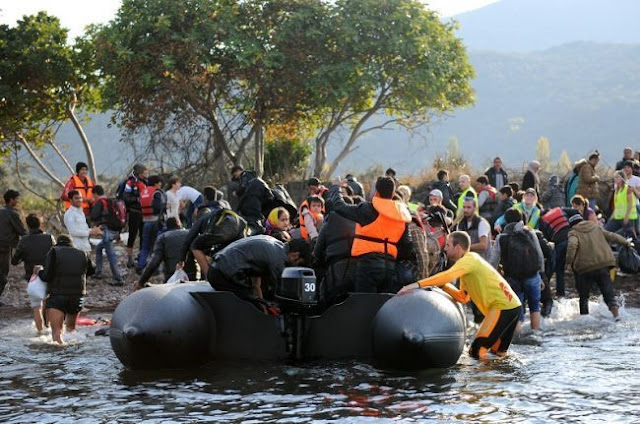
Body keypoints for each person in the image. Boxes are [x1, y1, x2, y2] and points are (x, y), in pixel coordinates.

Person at [399, 231, 522, 359]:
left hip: (503, 307)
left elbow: (448, 275)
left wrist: (417, 284)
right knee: (498, 355)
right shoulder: (467, 267)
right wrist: (444, 286)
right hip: (513, 306)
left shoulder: (469, 260)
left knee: (476, 351)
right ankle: (501, 377)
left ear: (457, 247)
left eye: (447, 245)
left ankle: (481, 378)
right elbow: (463, 297)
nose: (445, 249)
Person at [330, 176, 414, 293]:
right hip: (390, 267)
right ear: (393, 192)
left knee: (365, 304)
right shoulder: (402, 215)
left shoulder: (368, 209)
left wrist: (335, 188)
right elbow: (407, 246)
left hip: (368, 265)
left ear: (377, 192)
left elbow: (339, 206)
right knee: (384, 306)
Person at [207, 235, 310, 304]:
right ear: (295, 255)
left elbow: (256, 284)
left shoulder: (274, 244)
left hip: (217, 268)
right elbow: (284, 292)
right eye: (298, 264)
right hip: (222, 274)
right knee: (251, 304)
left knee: (256, 301)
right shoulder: (279, 259)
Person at [565, 214, 631, 320]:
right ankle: (616, 316)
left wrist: (569, 262)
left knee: (584, 297)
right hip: (603, 265)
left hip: (585, 268)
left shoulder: (573, 232)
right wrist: (626, 242)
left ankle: (585, 319)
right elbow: (612, 236)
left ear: (572, 225)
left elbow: (572, 245)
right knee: (609, 295)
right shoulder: (595, 227)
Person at [490, 209, 544, 332]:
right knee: (535, 306)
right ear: (521, 220)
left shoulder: (501, 238)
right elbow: (539, 254)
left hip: (512, 278)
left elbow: (493, 261)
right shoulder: (530, 233)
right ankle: (535, 333)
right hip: (532, 275)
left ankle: (517, 338)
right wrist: (541, 275)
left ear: (506, 221)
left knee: (516, 308)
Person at [38, 234, 95, 345]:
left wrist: (38, 273)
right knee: (71, 331)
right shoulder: (83, 253)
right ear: (71, 243)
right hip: (78, 296)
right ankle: (72, 357)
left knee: (56, 333)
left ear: (57, 243)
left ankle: (60, 357)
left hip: (58, 296)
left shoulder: (54, 252)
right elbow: (92, 270)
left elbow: (46, 276)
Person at [11, 214, 54, 331]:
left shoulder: (24, 240)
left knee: (36, 306)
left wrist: (23, 256)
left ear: (28, 225)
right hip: (48, 274)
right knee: (47, 301)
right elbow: (56, 254)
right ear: (40, 224)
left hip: (33, 276)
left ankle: (40, 332)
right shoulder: (49, 238)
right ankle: (48, 327)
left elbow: (14, 261)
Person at [313, 197, 357, 305]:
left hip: (335, 275)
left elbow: (317, 253)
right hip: (359, 273)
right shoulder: (360, 223)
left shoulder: (327, 225)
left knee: (324, 299)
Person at [135, 217, 193, 290]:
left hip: (172, 278)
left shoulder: (163, 237)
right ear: (179, 225)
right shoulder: (190, 233)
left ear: (167, 227)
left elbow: (154, 262)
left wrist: (141, 282)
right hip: (193, 278)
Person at [90, 185, 124, 286]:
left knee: (111, 254)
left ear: (95, 194)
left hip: (107, 231)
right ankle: (98, 272)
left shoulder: (100, 202)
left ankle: (118, 279)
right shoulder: (111, 201)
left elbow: (94, 216)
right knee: (99, 249)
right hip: (115, 230)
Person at [539, 207, 576, 297]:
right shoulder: (560, 209)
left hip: (560, 243)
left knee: (559, 269)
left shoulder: (543, 220)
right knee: (577, 269)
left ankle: (559, 293)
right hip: (573, 239)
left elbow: (546, 239)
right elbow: (575, 212)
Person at [0, 190, 27, 303]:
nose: (18, 201)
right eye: (16, 199)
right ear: (11, 200)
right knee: (3, 275)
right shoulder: (12, 213)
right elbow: (22, 231)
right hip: (4, 248)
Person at [137, 176, 167, 273]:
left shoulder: (143, 192)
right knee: (155, 246)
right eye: (159, 183)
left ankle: (140, 266)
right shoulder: (157, 192)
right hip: (156, 222)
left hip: (145, 221)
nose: (160, 185)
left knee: (145, 246)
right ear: (156, 183)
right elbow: (157, 207)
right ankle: (155, 269)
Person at [123, 163, 149, 268]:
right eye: (145, 171)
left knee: (143, 235)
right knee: (132, 235)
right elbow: (126, 198)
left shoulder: (145, 182)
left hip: (144, 212)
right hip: (134, 212)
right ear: (140, 173)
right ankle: (129, 259)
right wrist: (138, 199)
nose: (147, 173)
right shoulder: (130, 183)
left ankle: (141, 257)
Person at [236, 170, 274, 234]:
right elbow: (270, 196)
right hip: (255, 206)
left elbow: (242, 188)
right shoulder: (260, 182)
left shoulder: (245, 176)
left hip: (247, 205)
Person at [605, 170, 637, 236]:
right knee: (606, 231)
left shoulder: (627, 189)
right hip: (617, 217)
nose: (615, 179)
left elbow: (630, 204)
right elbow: (617, 206)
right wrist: (612, 217)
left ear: (622, 178)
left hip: (628, 218)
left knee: (629, 236)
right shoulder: (616, 190)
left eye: (617, 177)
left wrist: (626, 217)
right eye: (614, 177)